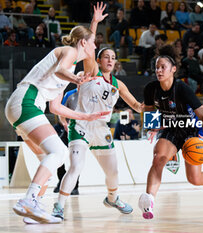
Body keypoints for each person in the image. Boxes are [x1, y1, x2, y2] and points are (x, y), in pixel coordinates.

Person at [5, 3, 110, 224]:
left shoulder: (69, 71)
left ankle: (33, 210)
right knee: (59, 152)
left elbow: (55, 108)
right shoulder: (69, 53)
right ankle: (28, 200)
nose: (95, 47)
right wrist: (94, 22)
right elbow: (62, 70)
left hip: (22, 106)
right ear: (83, 42)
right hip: (26, 100)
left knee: (48, 160)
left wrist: (86, 117)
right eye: (93, 43)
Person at [52, 6, 143, 220]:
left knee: (113, 173)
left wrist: (158, 102)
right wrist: (94, 22)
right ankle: (58, 207)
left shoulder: (118, 84)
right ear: (99, 60)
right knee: (75, 167)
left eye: (113, 58)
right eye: (106, 56)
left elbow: (137, 106)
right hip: (81, 126)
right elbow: (88, 45)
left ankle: (112, 198)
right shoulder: (91, 71)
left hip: (101, 129)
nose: (110, 60)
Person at [138, 44, 203, 220]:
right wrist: (153, 126)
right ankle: (149, 201)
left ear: (173, 70)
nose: (159, 70)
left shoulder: (182, 89)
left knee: (194, 179)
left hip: (191, 130)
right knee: (158, 158)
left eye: (163, 67)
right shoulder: (151, 88)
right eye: (157, 67)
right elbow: (149, 110)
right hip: (171, 129)